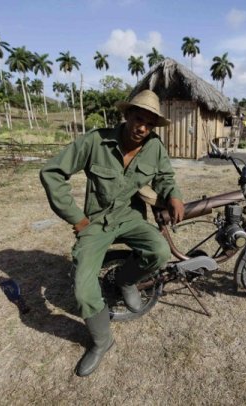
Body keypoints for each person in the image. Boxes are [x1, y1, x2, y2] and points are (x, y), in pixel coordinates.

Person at [40, 89, 184, 377]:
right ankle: (101, 341)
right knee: (83, 289)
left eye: (149, 123)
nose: (142, 127)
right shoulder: (96, 140)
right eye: (138, 118)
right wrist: (77, 218)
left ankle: (125, 280)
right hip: (96, 222)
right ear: (127, 115)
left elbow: (165, 177)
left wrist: (174, 195)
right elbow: (52, 172)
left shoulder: (155, 147)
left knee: (160, 251)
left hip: (130, 218)